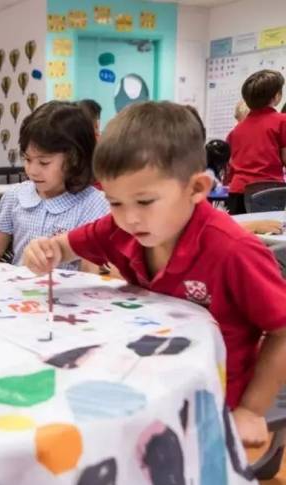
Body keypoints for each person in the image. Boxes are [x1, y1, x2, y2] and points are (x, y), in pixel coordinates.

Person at [21, 102, 286, 447]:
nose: (129, 218)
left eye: (145, 202)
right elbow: (63, 246)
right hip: (141, 384)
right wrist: (46, 251)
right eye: (115, 202)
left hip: (209, 402)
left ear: (196, 189)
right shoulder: (119, 228)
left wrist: (252, 409)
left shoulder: (233, 250)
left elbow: (282, 331)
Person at [0, 101, 107, 268]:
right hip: (20, 284)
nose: (32, 170)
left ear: (75, 159)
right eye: (27, 159)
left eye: (44, 163)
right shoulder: (15, 196)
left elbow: (92, 267)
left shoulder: (94, 204)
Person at [226, 69, 286, 214]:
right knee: (268, 228)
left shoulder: (236, 130)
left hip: (237, 191)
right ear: (276, 96)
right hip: (268, 191)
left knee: (240, 228)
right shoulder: (282, 121)